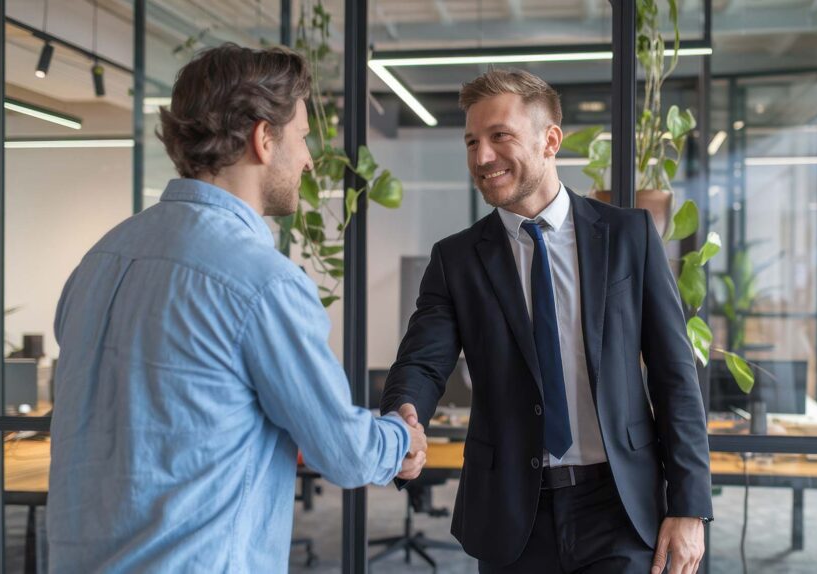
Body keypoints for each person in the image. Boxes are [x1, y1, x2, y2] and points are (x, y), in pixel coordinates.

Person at [47, 44, 426, 572]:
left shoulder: (99, 261)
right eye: (300, 137)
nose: (310, 158)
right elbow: (341, 450)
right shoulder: (261, 282)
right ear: (263, 138)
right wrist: (400, 439)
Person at [381, 68, 712, 574]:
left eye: (499, 136)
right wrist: (404, 417)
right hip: (512, 513)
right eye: (472, 141)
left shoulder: (629, 237)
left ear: (550, 140)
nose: (481, 157)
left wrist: (689, 505)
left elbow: (675, 375)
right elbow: (423, 364)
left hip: (619, 506)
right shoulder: (457, 259)